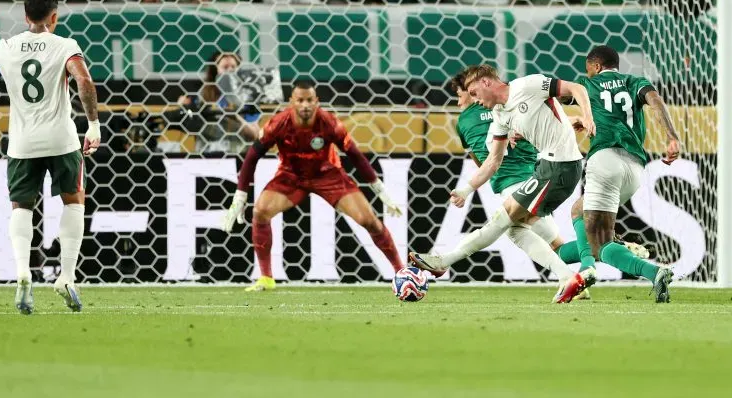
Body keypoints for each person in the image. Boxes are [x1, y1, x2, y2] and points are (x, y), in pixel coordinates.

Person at [408, 64, 594, 303]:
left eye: (474, 93)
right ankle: (575, 271)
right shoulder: (500, 115)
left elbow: (576, 88)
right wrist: (465, 189)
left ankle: (444, 261)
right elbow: (492, 162)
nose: (474, 100)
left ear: (486, 83)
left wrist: (586, 116)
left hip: (561, 166)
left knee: (504, 218)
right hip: (547, 169)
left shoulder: (527, 85)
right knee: (515, 230)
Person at [0, 0, 101, 314]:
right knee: (74, 201)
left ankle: (23, 272)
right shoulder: (66, 46)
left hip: (22, 143)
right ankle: (67, 276)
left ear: (26, 16)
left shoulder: (6, 47)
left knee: (21, 208)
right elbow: (84, 81)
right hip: (62, 140)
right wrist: (94, 124)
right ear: (54, 17)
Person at [220, 79, 405, 292]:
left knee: (369, 220)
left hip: (329, 176)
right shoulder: (278, 123)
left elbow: (356, 156)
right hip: (291, 177)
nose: (305, 105)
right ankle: (266, 278)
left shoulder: (330, 123)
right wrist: (240, 197)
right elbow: (252, 157)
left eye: (309, 100)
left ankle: (401, 272)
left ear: (317, 101)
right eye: (300, 100)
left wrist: (380, 191)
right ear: (292, 102)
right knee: (260, 211)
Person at [555, 45, 681, 303]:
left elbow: (558, 97)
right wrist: (671, 136)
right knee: (579, 211)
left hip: (605, 159)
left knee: (599, 245)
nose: (588, 74)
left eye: (588, 69)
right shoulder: (635, 82)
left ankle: (654, 271)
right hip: (634, 168)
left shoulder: (587, 86)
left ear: (597, 66)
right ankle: (574, 270)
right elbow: (656, 102)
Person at [447, 71, 571, 277]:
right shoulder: (506, 105)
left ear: (475, 89)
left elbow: (484, 162)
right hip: (536, 172)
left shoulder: (467, 121)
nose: (460, 102)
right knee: (553, 243)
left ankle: (445, 260)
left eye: (462, 95)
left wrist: (469, 187)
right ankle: (591, 262)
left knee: (512, 230)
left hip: (514, 182)